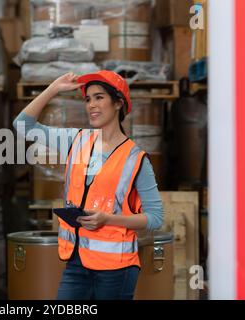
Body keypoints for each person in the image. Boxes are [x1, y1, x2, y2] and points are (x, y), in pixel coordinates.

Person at [13, 71, 164, 300]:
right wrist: (54, 88)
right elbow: (22, 125)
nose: (91, 105)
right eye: (88, 99)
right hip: (76, 262)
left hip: (117, 268)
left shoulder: (136, 159)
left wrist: (109, 219)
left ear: (118, 103)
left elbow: (155, 218)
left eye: (99, 97)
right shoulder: (78, 140)